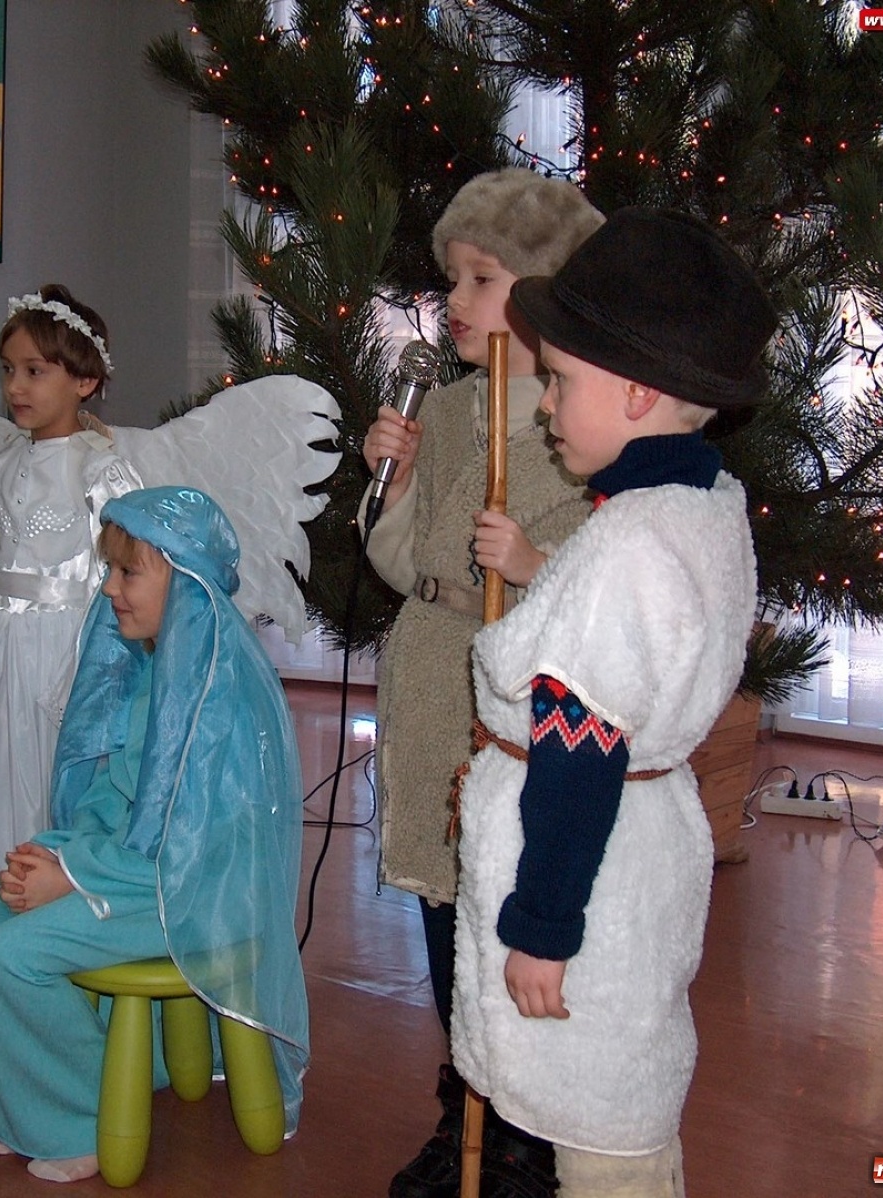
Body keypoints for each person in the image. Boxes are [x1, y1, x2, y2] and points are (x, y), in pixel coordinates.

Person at [451, 208, 775, 1198]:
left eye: (560, 382)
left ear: (639, 393)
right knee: (623, 1121)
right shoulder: (700, 505)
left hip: (588, 880)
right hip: (640, 849)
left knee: (604, 1141)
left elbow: (580, 752)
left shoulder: (628, 550)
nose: (544, 403)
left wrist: (543, 925)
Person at [0, 486, 309, 1185]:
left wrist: (76, 878)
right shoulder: (155, 671)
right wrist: (59, 851)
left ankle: (80, 1118)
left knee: (15, 952)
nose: (110, 589)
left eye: (128, 573)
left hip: (191, 898)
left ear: (185, 580)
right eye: (112, 572)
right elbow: (118, 796)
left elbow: (202, 849)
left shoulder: (218, 693)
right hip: (135, 878)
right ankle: (17, 1102)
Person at [359, 168, 603, 1198]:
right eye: (449, 278)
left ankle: (525, 1134)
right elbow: (401, 564)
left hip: (507, 707)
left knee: (502, 911)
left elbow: (601, 592)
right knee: (443, 913)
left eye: (481, 278)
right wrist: (401, 489)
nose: (453, 302)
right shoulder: (452, 411)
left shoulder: (577, 428)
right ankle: (462, 1104)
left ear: (544, 292)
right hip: (429, 684)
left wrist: (533, 569)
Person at [0, 284, 142, 896]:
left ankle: (55, 917)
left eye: (36, 371)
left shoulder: (101, 471)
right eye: (9, 370)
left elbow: (120, 573)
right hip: (4, 653)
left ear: (84, 381)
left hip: (69, 654)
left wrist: (95, 669)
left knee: (53, 790)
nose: (16, 387)